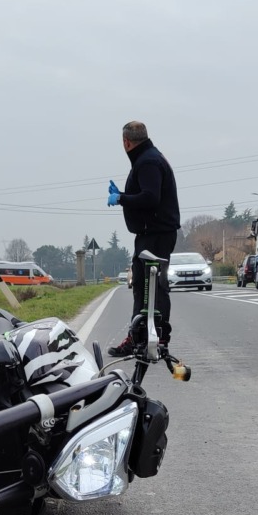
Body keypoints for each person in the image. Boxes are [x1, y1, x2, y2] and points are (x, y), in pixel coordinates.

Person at [105, 121, 180, 357]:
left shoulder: (147, 161)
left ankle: (152, 339)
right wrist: (125, 195)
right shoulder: (149, 157)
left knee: (152, 287)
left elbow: (150, 198)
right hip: (154, 232)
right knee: (144, 285)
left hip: (155, 234)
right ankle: (144, 338)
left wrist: (121, 199)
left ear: (126, 142)